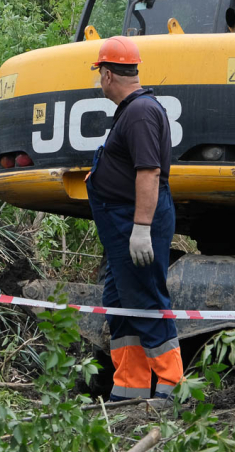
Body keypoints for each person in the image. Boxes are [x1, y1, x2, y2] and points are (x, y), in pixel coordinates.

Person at [85, 35, 183, 402]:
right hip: (121, 226)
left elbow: (149, 173)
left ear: (108, 74)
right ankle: (130, 389)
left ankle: (174, 388)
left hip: (135, 223)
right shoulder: (132, 110)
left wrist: (141, 229)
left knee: (144, 300)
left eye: (99, 73)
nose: (100, 80)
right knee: (120, 304)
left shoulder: (140, 112)